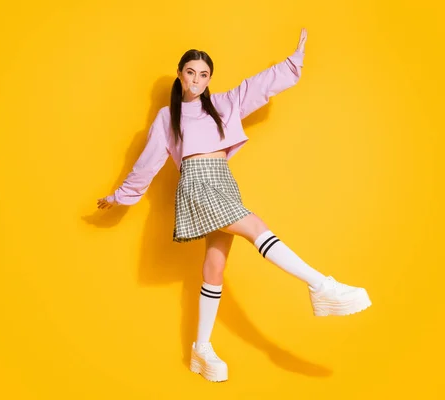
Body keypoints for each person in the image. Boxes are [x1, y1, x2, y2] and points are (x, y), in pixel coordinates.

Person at [97, 28, 371, 383]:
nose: (197, 79)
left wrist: (292, 62)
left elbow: (256, 86)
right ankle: (321, 286)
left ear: (210, 78)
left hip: (223, 179)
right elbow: (147, 163)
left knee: (215, 266)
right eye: (191, 72)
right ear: (180, 73)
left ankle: (201, 348)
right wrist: (120, 195)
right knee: (254, 226)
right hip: (196, 183)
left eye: (204, 74)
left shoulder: (223, 105)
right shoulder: (168, 117)